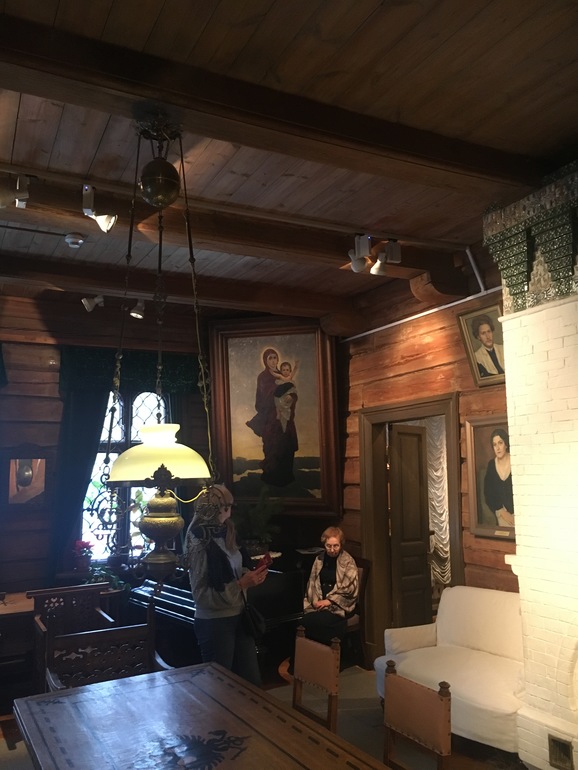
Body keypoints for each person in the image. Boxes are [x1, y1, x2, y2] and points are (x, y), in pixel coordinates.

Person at [184, 483, 269, 686]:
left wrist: (252, 575)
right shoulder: (198, 540)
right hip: (215, 622)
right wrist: (240, 584)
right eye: (228, 506)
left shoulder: (227, 532)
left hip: (240, 615)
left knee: (251, 682)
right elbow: (201, 596)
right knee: (219, 686)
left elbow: (239, 568)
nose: (230, 511)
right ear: (216, 508)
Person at [246, 348, 299, 487]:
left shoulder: (282, 374)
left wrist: (291, 397)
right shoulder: (263, 377)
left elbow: (293, 391)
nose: (273, 361)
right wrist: (280, 391)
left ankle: (286, 477)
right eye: (270, 358)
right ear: (265, 360)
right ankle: (272, 477)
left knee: (286, 445)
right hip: (271, 418)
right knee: (273, 445)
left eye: (275, 357)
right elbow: (265, 395)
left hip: (286, 417)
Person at [301, 526, 359, 645]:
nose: (332, 550)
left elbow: (350, 588)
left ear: (341, 544)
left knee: (316, 622)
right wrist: (316, 601)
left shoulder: (348, 561)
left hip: (339, 605)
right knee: (302, 620)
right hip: (319, 602)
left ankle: (329, 652)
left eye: (336, 546)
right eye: (329, 546)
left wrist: (329, 601)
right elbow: (312, 583)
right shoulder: (319, 559)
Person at [483, 428, 514, 527]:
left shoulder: (515, 460)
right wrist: (502, 512)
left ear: (506, 444)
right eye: (495, 444)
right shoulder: (491, 465)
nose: (498, 448)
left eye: (500, 443)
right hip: (502, 514)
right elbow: (488, 494)